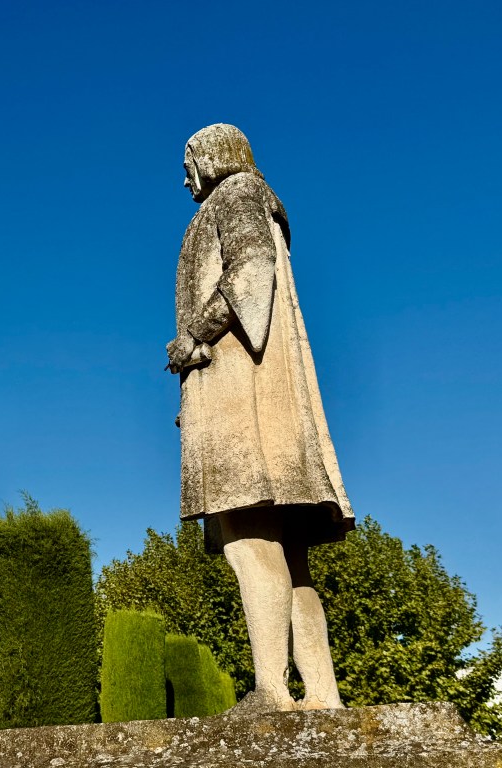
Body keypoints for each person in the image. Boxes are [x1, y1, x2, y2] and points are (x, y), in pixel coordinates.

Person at [167, 124, 354, 712]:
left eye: (189, 161)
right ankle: (321, 694)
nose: (185, 176)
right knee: (291, 558)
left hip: (243, 398)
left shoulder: (236, 192)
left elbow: (250, 272)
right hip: (253, 392)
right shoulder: (255, 198)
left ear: (212, 157)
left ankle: (272, 688)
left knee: (247, 539)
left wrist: (193, 335)